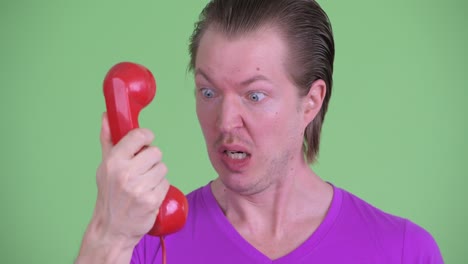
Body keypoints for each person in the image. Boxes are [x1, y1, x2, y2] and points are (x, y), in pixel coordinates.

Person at [76, 0, 444, 263]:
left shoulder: (405, 251)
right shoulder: (142, 244)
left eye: (254, 95)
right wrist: (110, 237)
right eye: (209, 92)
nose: (224, 122)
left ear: (311, 102)